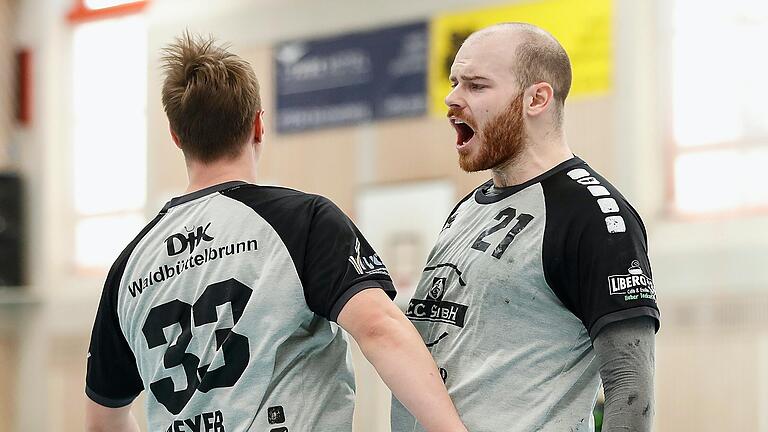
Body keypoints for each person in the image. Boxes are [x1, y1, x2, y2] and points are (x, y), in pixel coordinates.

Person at [84, 32, 467, 432]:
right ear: (258, 126)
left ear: (176, 136)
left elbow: (102, 419)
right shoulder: (303, 219)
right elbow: (379, 329)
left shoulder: (129, 265)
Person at [391, 23, 660, 432]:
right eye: (454, 83)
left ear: (537, 98)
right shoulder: (468, 209)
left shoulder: (593, 215)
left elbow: (630, 391)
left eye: (476, 86)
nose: (451, 99)